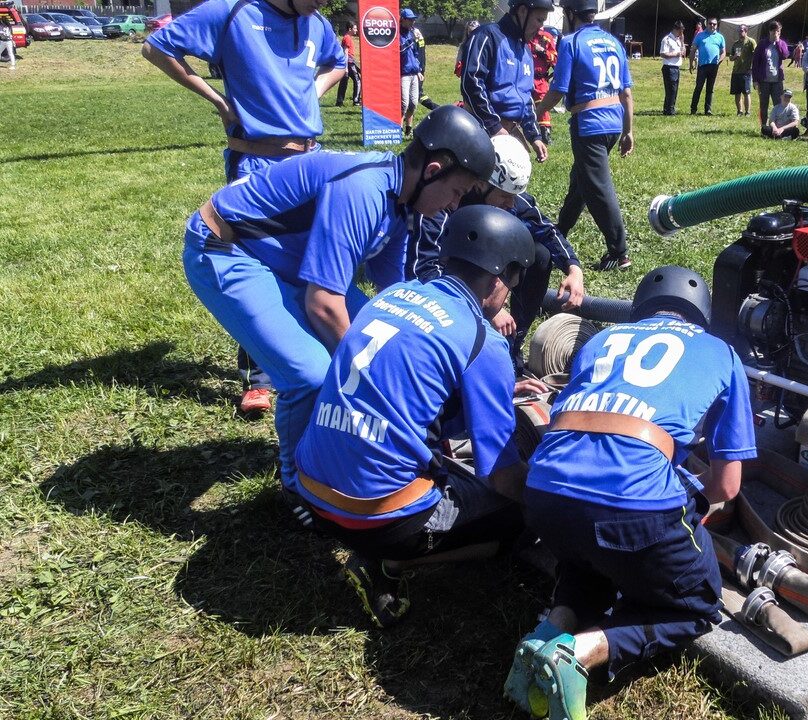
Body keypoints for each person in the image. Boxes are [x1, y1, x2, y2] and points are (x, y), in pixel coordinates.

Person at [180, 105, 494, 520]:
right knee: (311, 376)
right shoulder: (364, 190)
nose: (453, 206)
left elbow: (392, 300)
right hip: (227, 249)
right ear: (433, 170)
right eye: (456, 193)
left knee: (369, 345)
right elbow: (323, 305)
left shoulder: (402, 202)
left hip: (290, 263)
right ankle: (298, 486)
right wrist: (370, 376)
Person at [503, 266, 756, 720]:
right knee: (697, 605)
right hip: (634, 504)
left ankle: (552, 628)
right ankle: (579, 653)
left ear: (639, 308)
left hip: (544, 492)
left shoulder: (601, 340)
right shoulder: (721, 352)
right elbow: (726, 487)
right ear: (699, 315)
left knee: (588, 554)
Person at [295, 206, 540, 628]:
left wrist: (493, 390)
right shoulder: (483, 339)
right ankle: (391, 562)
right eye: (514, 281)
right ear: (499, 278)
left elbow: (408, 379)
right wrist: (550, 507)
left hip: (310, 487)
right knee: (517, 519)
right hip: (374, 518)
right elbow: (500, 475)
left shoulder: (392, 295)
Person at [143, 0, 346, 416]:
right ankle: (258, 378)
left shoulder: (316, 22)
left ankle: (309, 357)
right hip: (257, 161)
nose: (322, 4)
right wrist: (218, 101)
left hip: (309, 161)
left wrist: (309, 91)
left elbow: (338, 62)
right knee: (260, 266)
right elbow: (156, 48)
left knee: (306, 262)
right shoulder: (230, 13)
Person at [417, 136, 586, 371]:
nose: (511, 204)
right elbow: (424, 268)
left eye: (514, 197)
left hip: (486, 276)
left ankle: (513, 343)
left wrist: (573, 267)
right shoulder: (450, 199)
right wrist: (486, 308)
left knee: (539, 255)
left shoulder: (512, 199)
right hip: (448, 292)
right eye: (505, 197)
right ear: (481, 184)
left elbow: (547, 230)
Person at [537, 0, 634, 272]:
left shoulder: (570, 42)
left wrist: (538, 110)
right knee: (581, 180)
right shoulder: (613, 42)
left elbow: (558, 89)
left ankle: (620, 251)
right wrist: (628, 131)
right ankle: (561, 230)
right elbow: (626, 92)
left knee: (598, 188)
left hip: (589, 125)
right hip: (613, 123)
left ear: (570, 13)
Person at [460, 0, 551, 163]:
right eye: (539, 20)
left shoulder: (526, 51)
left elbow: (525, 97)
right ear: (522, 11)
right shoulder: (487, 36)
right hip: (482, 130)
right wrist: (494, 127)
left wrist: (534, 136)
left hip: (507, 132)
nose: (541, 28)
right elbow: (472, 82)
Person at [752, 20, 789, 126]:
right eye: (774, 31)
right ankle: (764, 126)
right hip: (763, 80)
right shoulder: (762, 44)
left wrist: (777, 43)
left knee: (778, 105)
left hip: (777, 80)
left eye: (779, 31)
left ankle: (778, 126)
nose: (777, 33)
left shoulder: (781, 43)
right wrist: (755, 80)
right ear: (770, 31)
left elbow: (785, 55)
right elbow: (755, 63)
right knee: (763, 105)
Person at [399, 9, 426, 138]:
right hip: (403, 74)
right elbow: (400, 50)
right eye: (410, 19)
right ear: (402, 19)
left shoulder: (411, 34)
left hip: (414, 73)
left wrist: (419, 70)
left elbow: (415, 54)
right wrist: (412, 40)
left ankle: (408, 129)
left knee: (413, 103)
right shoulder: (397, 34)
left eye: (413, 19)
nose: (412, 21)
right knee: (403, 104)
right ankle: (398, 130)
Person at [690, 18, 725, 115]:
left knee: (710, 89)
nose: (712, 25)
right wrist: (691, 63)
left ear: (717, 25)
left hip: (714, 66)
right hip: (702, 66)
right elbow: (693, 50)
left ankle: (708, 110)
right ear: (707, 24)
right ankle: (693, 109)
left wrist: (719, 60)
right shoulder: (700, 36)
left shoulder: (720, 37)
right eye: (710, 23)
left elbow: (723, 52)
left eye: (714, 24)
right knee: (698, 87)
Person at [529, 27, 558, 143]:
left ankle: (545, 134)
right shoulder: (525, 36)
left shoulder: (547, 38)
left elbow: (555, 59)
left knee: (543, 105)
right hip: (524, 77)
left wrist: (543, 51)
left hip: (540, 79)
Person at [660, 21, 685, 115]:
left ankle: (669, 108)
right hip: (669, 67)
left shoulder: (678, 40)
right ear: (676, 29)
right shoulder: (667, 39)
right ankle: (669, 110)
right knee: (671, 89)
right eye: (680, 30)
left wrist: (682, 42)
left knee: (674, 90)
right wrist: (676, 54)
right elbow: (663, 53)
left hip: (676, 67)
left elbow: (683, 52)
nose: (681, 33)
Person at [729, 24, 755, 116]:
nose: (739, 32)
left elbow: (755, 56)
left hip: (746, 71)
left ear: (746, 31)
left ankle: (747, 112)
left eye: (741, 31)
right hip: (736, 71)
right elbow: (730, 58)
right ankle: (739, 111)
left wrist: (751, 68)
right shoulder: (736, 44)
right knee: (737, 93)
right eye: (739, 31)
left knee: (746, 92)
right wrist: (734, 56)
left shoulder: (751, 42)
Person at [336, 22, 361, 107]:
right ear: (350, 29)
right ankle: (356, 100)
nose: (356, 30)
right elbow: (345, 52)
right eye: (355, 28)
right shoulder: (347, 38)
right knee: (358, 80)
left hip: (350, 62)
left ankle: (339, 101)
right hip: (349, 62)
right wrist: (345, 67)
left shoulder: (347, 37)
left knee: (344, 81)